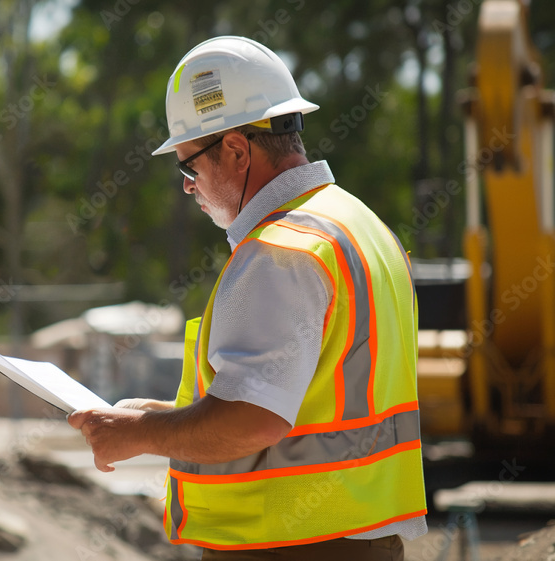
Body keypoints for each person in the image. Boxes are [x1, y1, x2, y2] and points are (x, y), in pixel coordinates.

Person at [67, 36, 427, 560]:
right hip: (361, 537)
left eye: (189, 166)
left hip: (290, 545)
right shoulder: (362, 227)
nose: (189, 187)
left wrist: (142, 433)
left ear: (236, 149)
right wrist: (167, 416)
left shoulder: (279, 252)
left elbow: (255, 422)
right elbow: (305, 407)